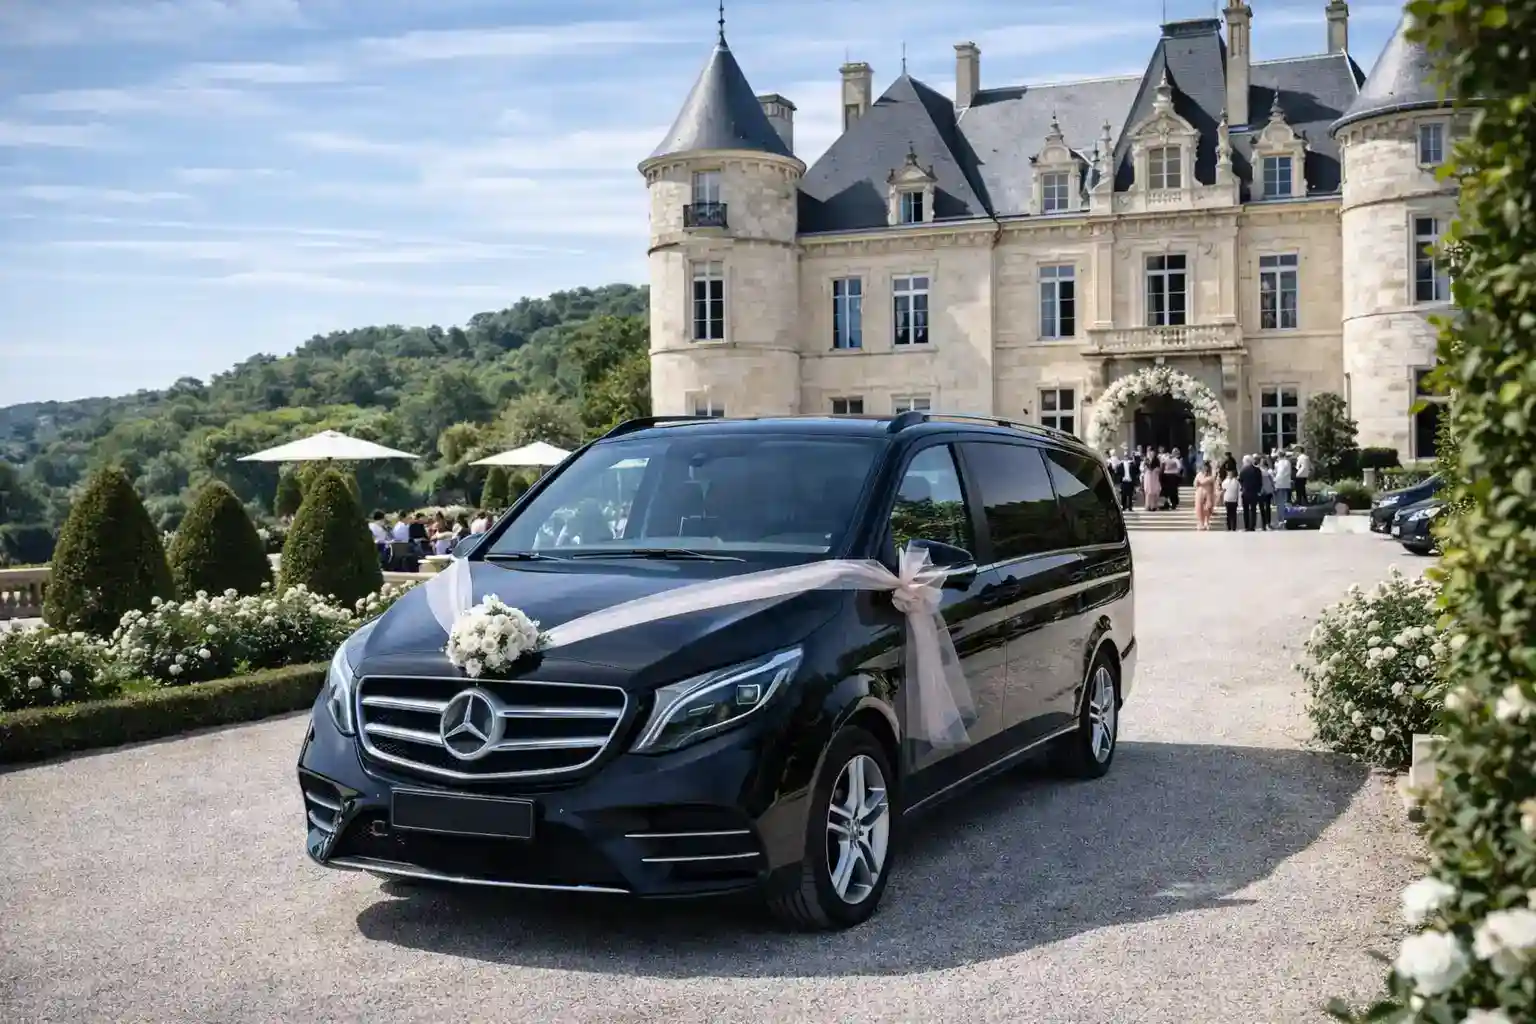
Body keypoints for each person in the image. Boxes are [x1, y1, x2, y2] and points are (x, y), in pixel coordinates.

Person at [1238, 454, 1263, 532]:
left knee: (1246, 510)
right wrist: (1258, 491)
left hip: (1245, 492)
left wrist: (1243, 487)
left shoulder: (1242, 470)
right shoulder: (1257, 470)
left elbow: (1240, 480)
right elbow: (1260, 482)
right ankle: (1252, 526)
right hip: (1254, 492)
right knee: (1253, 510)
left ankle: (1246, 526)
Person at [1193, 461, 1217, 531]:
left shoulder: (1211, 476)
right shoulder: (1199, 475)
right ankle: (1201, 523)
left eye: (1206, 467)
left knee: (1207, 509)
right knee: (1199, 508)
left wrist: (1212, 495)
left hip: (1208, 493)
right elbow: (1195, 484)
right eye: (1204, 467)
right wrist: (1198, 482)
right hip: (1200, 492)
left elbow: (1212, 485)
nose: (1205, 469)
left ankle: (1207, 522)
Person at [1273, 449, 1293, 525]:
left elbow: (1280, 474)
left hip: (1279, 484)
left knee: (1280, 503)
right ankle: (1285, 518)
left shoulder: (1280, 463)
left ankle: (1281, 519)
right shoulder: (1288, 462)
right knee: (1284, 501)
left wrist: (1275, 481)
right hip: (1286, 484)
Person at [1259, 457, 1276, 531]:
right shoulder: (1267, 471)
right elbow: (1272, 481)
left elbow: (1272, 481)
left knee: (1265, 508)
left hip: (1264, 491)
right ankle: (1265, 524)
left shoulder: (1266, 471)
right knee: (1264, 508)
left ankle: (1266, 524)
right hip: (1265, 491)